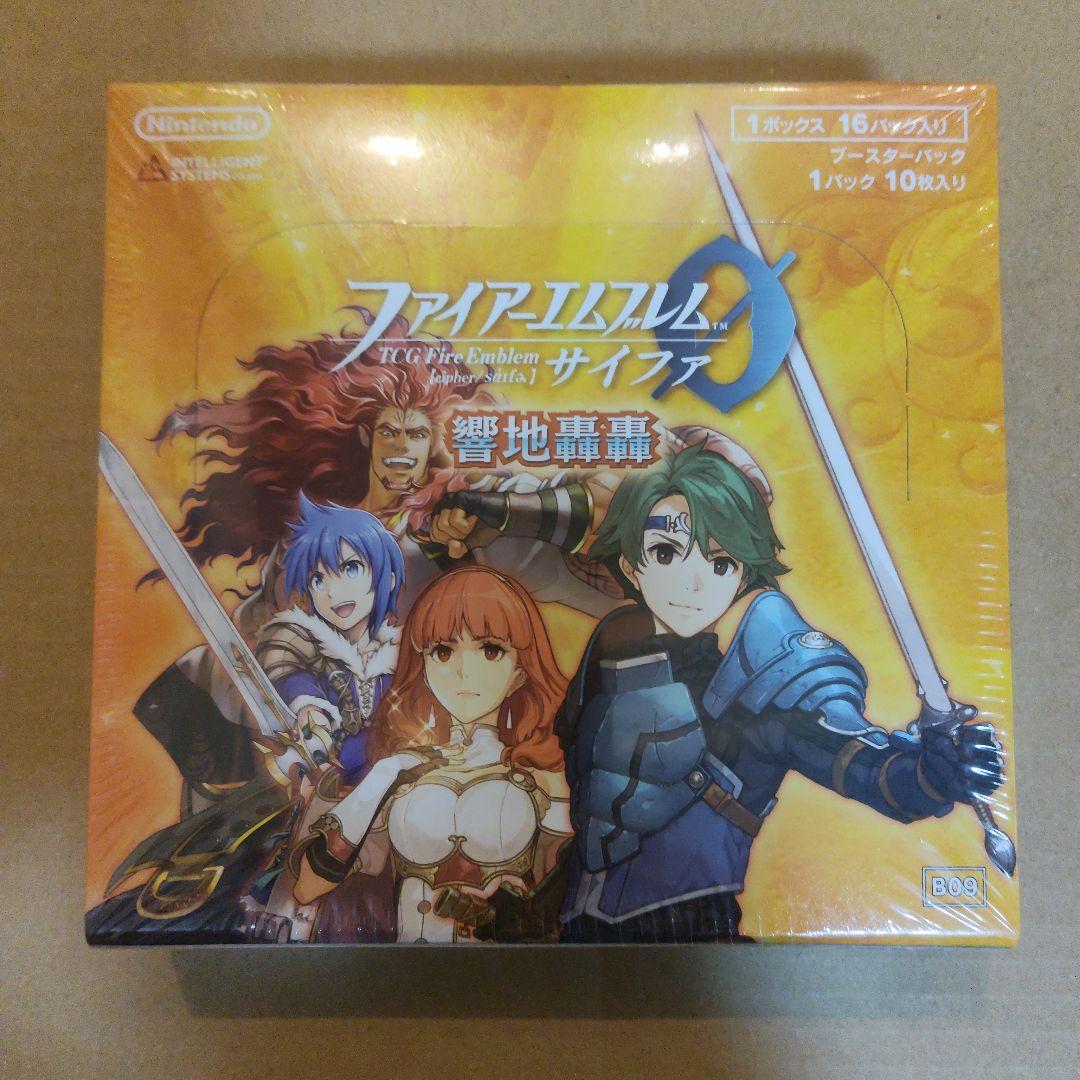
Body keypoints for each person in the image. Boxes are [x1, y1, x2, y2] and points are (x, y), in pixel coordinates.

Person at [555, 440, 1006, 943]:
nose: (692, 584)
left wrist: (934, 773)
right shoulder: (609, 652)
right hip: (576, 932)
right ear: (631, 565)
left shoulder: (762, 692)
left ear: (743, 572)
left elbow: (868, 768)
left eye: (720, 562)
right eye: (665, 553)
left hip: (696, 936)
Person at [289, 567, 574, 943]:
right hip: (409, 967)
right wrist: (381, 779)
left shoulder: (540, 774)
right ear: (423, 666)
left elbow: (568, 902)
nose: (464, 671)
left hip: (509, 967)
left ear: (520, 672)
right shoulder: (402, 772)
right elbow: (307, 887)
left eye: (490, 651)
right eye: (443, 651)